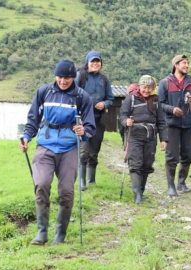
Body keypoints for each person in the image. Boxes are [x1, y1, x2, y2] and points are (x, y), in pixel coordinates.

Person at [19, 59, 96, 245]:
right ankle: (41, 233)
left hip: (69, 148)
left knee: (67, 191)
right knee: (42, 184)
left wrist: (83, 131)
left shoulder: (82, 97)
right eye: (60, 77)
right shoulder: (44, 92)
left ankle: (59, 236)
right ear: (55, 76)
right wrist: (26, 137)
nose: (63, 81)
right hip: (45, 145)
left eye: (67, 78)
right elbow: (33, 119)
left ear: (73, 78)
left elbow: (90, 126)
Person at [158, 55, 191, 197]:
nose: (187, 66)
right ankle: (171, 185)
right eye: (184, 63)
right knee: (172, 156)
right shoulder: (165, 83)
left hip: (189, 124)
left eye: (187, 63)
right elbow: (160, 104)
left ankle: (181, 182)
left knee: (189, 156)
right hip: (172, 124)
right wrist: (172, 109)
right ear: (176, 65)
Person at [119, 75, 168, 204]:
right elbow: (122, 114)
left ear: (153, 88)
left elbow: (161, 122)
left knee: (147, 165)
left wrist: (164, 139)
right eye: (144, 87)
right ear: (139, 86)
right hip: (134, 136)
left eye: (149, 88)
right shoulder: (131, 99)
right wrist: (126, 121)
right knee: (136, 164)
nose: (146, 90)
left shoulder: (156, 101)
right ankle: (137, 194)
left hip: (151, 137)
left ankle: (141, 190)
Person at [75, 51, 114, 191]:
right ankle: (81, 182)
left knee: (95, 150)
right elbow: (73, 94)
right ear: (88, 63)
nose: (96, 64)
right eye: (93, 61)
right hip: (83, 119)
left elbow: (110, 98)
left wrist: (105, 104)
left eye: (98, 61)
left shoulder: (104, 79)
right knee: (84, 151)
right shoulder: (80, 76)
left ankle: (91, 181)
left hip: (98, 119)